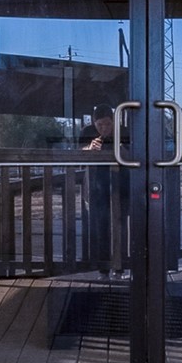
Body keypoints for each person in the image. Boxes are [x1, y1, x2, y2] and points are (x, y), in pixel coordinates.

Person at [79, 104, 129, 277]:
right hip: (96, 187)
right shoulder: (87, 132)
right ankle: (103, 270)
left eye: (107, 124)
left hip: (121, 186)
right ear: (94, 123)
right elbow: (77, 155)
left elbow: (133, 156)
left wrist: (120, 148)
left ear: (114, 121)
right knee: (100, 228)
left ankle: (120, 268)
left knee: (121, 227)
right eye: (100, 125)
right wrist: (89, 149)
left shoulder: (124, 131)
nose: (104, 128)